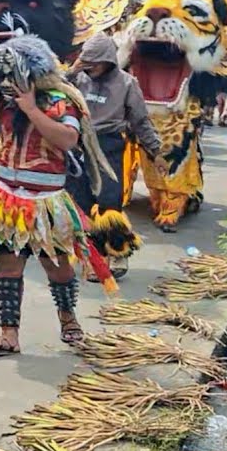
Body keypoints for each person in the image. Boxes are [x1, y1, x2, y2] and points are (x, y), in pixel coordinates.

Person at [0, 36, 116, 357]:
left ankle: (69, 322)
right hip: (7, 200)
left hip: (47, 203)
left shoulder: (60, 101)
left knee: (58, 269)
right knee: (9, 268)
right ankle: (8, 335)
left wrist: (32, 109)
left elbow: (67, 139)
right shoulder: (2, 103)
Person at [69, 33, 162, 280]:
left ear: (109, 60)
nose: (91, 69)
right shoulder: (78, 78)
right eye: (86, 64)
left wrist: (155, 150)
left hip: (109, 144)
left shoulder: (127, 84)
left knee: (110, 202)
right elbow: (49, 87)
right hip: (78, 144)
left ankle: (118, 251)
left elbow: (140, 121)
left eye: (95, 64)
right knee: (81, 204)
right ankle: (96, 259)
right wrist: (75, 68)